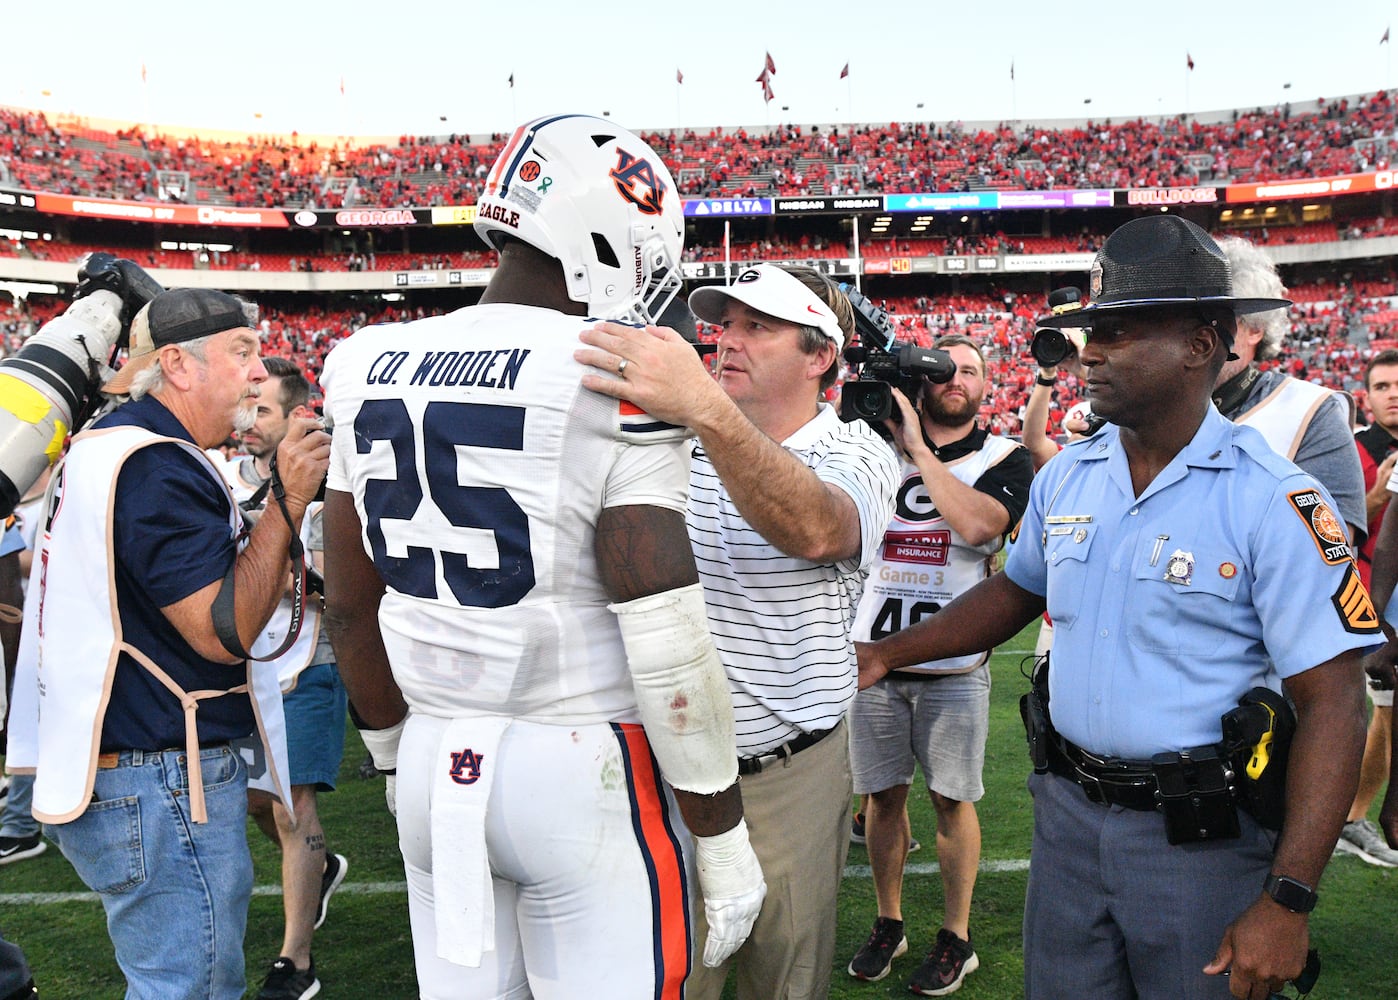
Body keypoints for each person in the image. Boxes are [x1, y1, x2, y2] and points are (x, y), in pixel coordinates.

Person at [859, 215, 1374, 1000]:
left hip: (1200, 840)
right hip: (1065, 824)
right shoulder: (1068, 475)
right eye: (1092, 330)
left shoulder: (1275, 498)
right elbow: (1015, 590)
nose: (1090, 351)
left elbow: (1338, 701)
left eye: (1120, 331)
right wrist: (888, 654)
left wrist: (1290, 899)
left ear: (1202, 344)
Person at [321, 114, 764, 999]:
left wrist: (394, 754)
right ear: (613, 236)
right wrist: (719, 836)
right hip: (584, 764)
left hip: (434, 757)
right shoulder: (611, 368)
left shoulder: (365, 359)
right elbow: (667, 632)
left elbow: (344, 601)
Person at [576, 262, 900, 1000]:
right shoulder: (667, 441)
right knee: (671, 977)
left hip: (783, 772)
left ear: (820, 356)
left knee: (777, 978)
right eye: (726, 324)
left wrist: (705, 413)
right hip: (656, 766)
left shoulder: (858, 451)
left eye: (759, 326)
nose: (728, 341)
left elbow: (818, 529)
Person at [7, 283, 330, 1000]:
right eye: (241, 352)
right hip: (159, 780)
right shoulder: (155, 462)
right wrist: (286, 500)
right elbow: (221, 632)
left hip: (123, 763)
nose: (258, 371)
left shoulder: (111, 445)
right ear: (179, 366)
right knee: (190, 986)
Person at [844, 334, 1032, 993]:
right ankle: (888, 921)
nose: (955, 377)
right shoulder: (870, 450)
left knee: (952, 800)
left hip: (953, 666)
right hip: (870, 661)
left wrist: (920, 451)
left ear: (989, 386)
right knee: (881, 799)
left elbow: (980, 526)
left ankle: (957, 936)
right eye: (943, 368)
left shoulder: (1006, 456)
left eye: (971, 369)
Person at [223, 356, 350, 1000]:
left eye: (263, 411)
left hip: (308, 656)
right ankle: (320, 867)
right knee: (253, 800)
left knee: (292, 801)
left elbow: (341, 581)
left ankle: (295, 961)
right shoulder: (224, 475)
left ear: (294, 413)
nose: (248, 422)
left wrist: (286, 543)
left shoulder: (330, 482)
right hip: (246, 661)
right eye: (246, 409)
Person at [1339, 348, 1398, 865]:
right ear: (1368, 398)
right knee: (1384, 715)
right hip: (1376, 600)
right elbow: (1339, 530)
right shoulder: (1355, 451)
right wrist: (1379, 493)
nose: (1393, 394)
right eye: (1382, 387)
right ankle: (1353, 815)